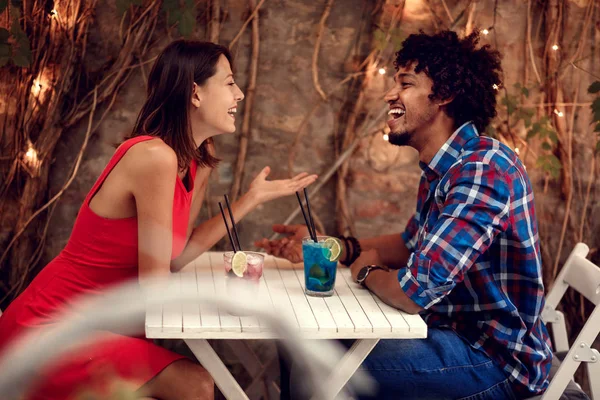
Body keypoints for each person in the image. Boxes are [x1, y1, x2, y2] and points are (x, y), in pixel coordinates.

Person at [0, 40, 317, 400]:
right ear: (195, 93)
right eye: (229, 83)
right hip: (51, 330)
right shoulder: (153, 157)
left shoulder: (197, 158)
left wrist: (252, 198)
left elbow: (174, 256)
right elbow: (155, 285)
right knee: (195, 384)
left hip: (104, 330)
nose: (240, 94)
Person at [257, 30, 552, 400]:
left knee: (322, 364)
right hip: (447, 330)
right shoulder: (443, 168)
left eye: (405, 84)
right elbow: (409, 244)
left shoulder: (483, 168)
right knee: (302, 338)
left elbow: (413, 292)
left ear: (444, 94)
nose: (389, 95)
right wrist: (334, 246)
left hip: (494, 360)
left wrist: (366, 271)